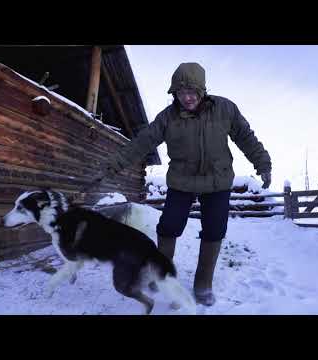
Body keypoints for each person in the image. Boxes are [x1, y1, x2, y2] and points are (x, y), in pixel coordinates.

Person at [95, 62, 272, 306]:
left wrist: (263, 164)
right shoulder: (167, 118)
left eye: (192, 92)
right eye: (181, 93)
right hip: (182, 181)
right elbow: (142, 143)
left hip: (217, 181)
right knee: (168, 226)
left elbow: (246, 137)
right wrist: (114, 164)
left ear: (202, 91)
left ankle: (203, 284)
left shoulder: (225, 109)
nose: (187, 98)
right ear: (174, 93)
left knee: (214, 230)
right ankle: (161, 273)